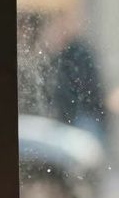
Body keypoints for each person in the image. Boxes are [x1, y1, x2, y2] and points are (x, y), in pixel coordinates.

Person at [41, 12, 107, 143]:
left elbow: (81, 85)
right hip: (75, 114)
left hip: (82, 114)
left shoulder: (77, 52)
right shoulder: (62, 54)